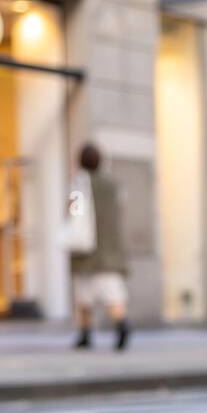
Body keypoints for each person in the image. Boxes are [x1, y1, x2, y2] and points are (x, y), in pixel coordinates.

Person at [70, 143, 130, 350]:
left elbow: (73, 213)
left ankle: (85, 334)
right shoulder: (112, 184)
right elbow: (121, 209)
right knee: (113, 295)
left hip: (86, 252)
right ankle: (121, 326)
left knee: (84, 297)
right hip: (110, 251)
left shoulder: (80, 183)